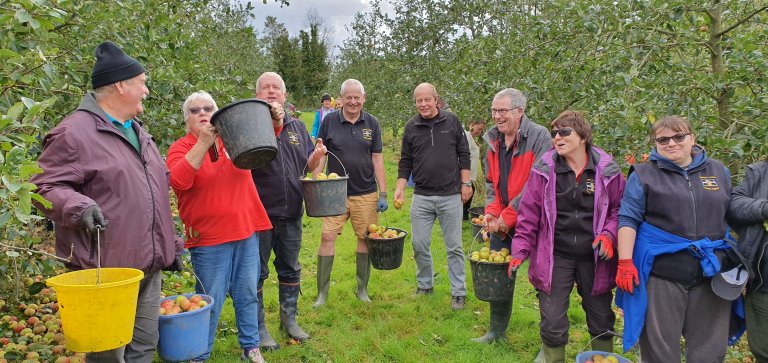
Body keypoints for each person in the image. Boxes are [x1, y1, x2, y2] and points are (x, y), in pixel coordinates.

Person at [31, 41, 180, 363]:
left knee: (143, 347)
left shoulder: (138, 132)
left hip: (147, 268)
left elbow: (149, 194)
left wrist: (169, 241)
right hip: (106, 273)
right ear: (120, 85)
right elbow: (42, 187)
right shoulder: (74, 134)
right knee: (108, 356)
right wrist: (77, 206)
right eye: (142, 83)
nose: (147, 91)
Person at [615, 116, 735, 362]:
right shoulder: (644, 174)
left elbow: (732, 215)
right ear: (655, 143)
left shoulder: (718, 171)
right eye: (663, 139)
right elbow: (628, 219)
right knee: (660, 350)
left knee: (710, 350)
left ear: (692, 138)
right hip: (663, 274)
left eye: (678, 136)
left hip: (710, 273)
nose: (671, 143)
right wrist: (625, 262)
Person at [508, 111, 625, 361]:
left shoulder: (607, 170)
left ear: (583, 136)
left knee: (601, 317)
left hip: (594, 257)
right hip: (555, 255)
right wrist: (519, 251)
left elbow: (619, 209)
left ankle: (602, 358)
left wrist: (608, 235)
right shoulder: (544, 170)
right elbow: (529, 214)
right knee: (552, 321)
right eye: (554, 133)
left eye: (564, 132)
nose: (557, 138)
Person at [167, 91, 272, 363]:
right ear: (186, 120)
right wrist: (202, 143)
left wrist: (277, 119)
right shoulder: (180, 148)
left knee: (248, 294)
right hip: (209, 239)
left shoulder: (233, 140)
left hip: (245, 231)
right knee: (209, 301)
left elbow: (261, 139)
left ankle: (251, 348)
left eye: (208, 108)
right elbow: (178, 182)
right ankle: (200, 354)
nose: (202, 113)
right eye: (195, 110)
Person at [251, 72, 327, 349]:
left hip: (292, 210)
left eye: (276, 88)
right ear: (257, 94)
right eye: (265, 88)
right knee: (256, 272)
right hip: (259, 213)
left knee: (290, 267)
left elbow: (308, 166)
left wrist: (317, 157)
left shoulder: (297, 127)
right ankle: (258, 327)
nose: (271, 92)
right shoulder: (251, 126)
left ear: (284, 95)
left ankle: (289, 320)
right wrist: (274, 122)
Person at [474, 87, 551, 343]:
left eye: (502, 110)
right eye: (494, 110)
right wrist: (491, 212)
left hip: (536, 221)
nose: (497, 115)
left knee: (544, 282)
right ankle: (496, 331)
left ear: (520, 111)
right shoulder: (492, 140)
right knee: (500, 275)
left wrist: (508, 215)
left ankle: (548, 344)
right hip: (503, 221)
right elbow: (490, 183)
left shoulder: (539, 137)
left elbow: (536, 185)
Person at [393, 83, 471, 310]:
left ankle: (458, 292)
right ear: (415, 102)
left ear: (437, 100)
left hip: (450, 195)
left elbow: (463, 154)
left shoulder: (452, 121)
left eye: (427, 99)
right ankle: (425, 285)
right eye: (419, 100)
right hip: (422, 196)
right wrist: (399, 187)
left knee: (454, 246)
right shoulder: (411, 127)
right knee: (419, 244)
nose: (423, 104)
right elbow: (405, 161)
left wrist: (466, 182)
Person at [312, 79, 387, 307]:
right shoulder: (330, 122)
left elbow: (377, 157)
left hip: (365, 191)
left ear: (363, 99)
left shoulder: (372, 123)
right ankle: (322, 294)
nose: (353, 101)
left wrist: (383, 192)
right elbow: (322, 154)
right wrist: (315, 183)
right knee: (327, 237)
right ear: (341, 99)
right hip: (335, 192)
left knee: (364, 238)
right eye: (349, 97)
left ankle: (362, 289)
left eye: (357, 97)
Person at [727, 160, 768, 362]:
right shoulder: (759, 172)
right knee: (762, 348)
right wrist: (763, 208)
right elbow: (733, 205)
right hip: (763, 281)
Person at [462, 120, 485, 220]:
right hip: (466, 174)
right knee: (467, 193)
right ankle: (463, 216)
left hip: (470, 174)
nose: (479, 132)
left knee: (469, 193)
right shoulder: (466, 136)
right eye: (479, 129)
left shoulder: (471, 138)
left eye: (481, 130)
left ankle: (463, 216)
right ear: (471, 124)